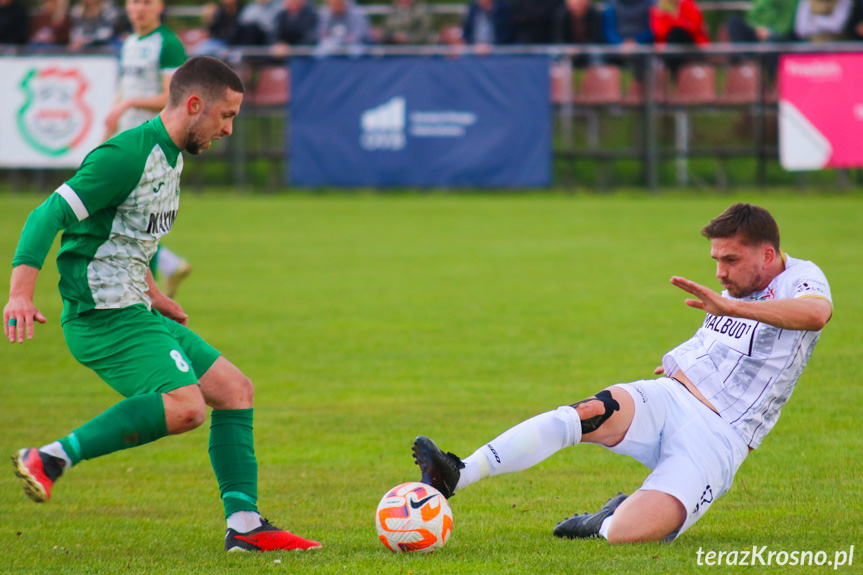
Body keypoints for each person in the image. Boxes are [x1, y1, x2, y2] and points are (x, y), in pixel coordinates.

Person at [5, 56, 321, 553]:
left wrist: (154, 293)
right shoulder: (125, 155)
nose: (230, 129)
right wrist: (20, 293)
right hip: (103, 317)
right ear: (194, 105)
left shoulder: (172, 154)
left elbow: (129, 234)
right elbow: (47, 214)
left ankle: (245, 526)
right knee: (186, 407)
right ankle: (50, 457)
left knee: (235, 390)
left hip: (135, 307)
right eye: (226, 115)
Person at [412, 203, 832, 543]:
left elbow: (817, 315)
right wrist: (683, 363)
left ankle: (605, 519)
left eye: (731, 259)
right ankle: (458, 473)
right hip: (669, 397)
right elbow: (725, 339)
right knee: (585, 413)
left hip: (721, 437)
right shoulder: (737, 286)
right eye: (716, 259)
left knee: (627, 535)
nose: (720, 272)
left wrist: (732, 307)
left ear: (768, 254)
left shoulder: (802, 278)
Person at [650, 0, 709, 77]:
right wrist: (676, 20)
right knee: (673, 34)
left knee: (676, 32)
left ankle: (671, 67)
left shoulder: (687, 4)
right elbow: (659, 30)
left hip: (690, 44)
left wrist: (670, 18)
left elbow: (693, 27)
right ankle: (671, 68)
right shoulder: (659, 8)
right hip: (668, 46)